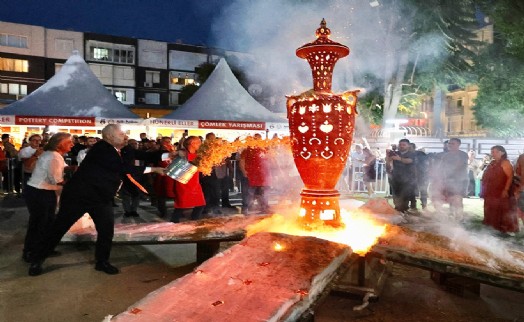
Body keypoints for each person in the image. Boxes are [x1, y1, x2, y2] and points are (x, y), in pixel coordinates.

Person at [28, 124, 165, 276]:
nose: (125, 137)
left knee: (106, 231)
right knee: (59, 228)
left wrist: (167, 154)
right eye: (122, 134)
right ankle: (37, 260)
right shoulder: (101, 149)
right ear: (110, 137)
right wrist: (153, 170)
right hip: (79, 196)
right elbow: (122, 168)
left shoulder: (125, 149)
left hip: (101, 198)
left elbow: (146, 156)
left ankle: (102, 262)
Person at [22, 133, 73, 263]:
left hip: (40, 191)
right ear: (59, 143)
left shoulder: (52, 155)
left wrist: (71, 168)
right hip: (41, 192)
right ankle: (32, 252)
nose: (72, 144)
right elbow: (56, 180)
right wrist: (74, 184)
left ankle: (41, 249)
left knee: (45, 222)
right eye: (69, 142)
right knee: (40, 223)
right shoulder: (54, 156)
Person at [482, 145, 519, 234]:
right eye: (492, 152)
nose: (492, 154)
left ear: (502, 153)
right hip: (491, 190)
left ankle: (504, 228)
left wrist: (505, 190)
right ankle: (492, 226)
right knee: (490, 208)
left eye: (494, 152)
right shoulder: (492, 162)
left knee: (502, 209)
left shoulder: (506, 163)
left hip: (501, 190)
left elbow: (510, 177)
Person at [431, 138, 469, 220]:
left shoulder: (463, 155)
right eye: (449, 143)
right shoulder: (446, 155)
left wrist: (449, 174)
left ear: (458, 145)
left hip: (459, 180)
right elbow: (440, 167)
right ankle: (451, 214)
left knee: (457, 198)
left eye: (453, 143)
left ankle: (459, 216)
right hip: (447, 180)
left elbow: (459, 166)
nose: (450, 145)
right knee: (449, 197)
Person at [171, 136, 206, 223]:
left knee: (200, 204)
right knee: (181, 205)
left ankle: (194, 220)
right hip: (183, 182)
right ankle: (173, 222)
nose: (200, 144)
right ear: (192, 143)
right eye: (198, 142)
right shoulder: (183, 153)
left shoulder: (199, 154)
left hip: (195, 183)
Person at [240, 133, 272, 214]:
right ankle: (245, 208)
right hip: (251, 175)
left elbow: (268, 161)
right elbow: (242, 161)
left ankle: (264, 207)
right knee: (248, 193)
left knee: (262, 193)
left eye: (259, 139)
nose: (258, 140)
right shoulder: (247, 150)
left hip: (262, 176)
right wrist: (244, 171)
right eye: (256, 139)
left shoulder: (264, 149)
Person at [386, 139, 415, 213]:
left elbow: (409, 161)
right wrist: (388, 158)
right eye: (400, 144)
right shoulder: (395, 153)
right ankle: (397, 210)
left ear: (408, 145)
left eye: (404, 145)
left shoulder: (412, 153)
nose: (401, 146)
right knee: (396, 195)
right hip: (395, 177)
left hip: (407, 179)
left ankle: (404, 211)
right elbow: (388, 162)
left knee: (405, 196)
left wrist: (399, 159)